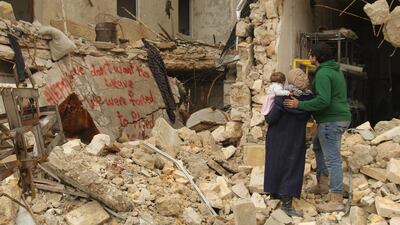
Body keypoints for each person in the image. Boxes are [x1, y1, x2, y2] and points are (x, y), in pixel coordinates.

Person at [284, 42, 351, 213]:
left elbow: (323, 101)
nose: (308, 58)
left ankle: (336, 198)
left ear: (316, 57)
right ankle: (322, 185)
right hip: (336, 118)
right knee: (318, 147)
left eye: (310, 55)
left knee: (333, 159)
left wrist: (299, 104)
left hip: (331, 120)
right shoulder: (334, 71)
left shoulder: (323, 74)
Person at [263, 69, 312, 217]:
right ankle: (286, 203)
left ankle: (274, 194)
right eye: (300, 75)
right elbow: (307, 115)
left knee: (275, 163)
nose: (303, 77)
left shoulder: (280, 98)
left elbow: (270, 119)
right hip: (295, 139)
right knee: (292, 167)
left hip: (277, 138)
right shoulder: (307, 100)